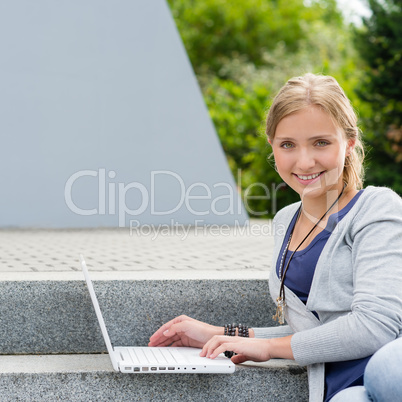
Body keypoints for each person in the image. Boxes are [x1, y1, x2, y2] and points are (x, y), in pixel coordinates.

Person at [149, 73, 402, 401]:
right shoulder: (285, 221)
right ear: (273, 146)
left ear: (349, 142)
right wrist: (221, 334)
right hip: (346, 387)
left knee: (384, 375)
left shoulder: (377, 208)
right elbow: (313, 333)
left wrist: (268, 348)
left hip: (389, 367)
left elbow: (374, 326)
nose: (304, 161)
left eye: (321, 142)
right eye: (288, 145)